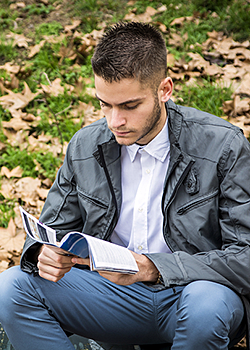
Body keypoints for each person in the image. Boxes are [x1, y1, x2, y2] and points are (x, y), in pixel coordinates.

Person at [0, 21, 250, 350]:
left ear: (164, 90)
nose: (115, 121)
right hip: (110, 297)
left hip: (193, 295)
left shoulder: (223, 146)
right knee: (11, 287)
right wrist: (43, 253)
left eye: (129, 106)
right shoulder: (85, 146)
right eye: (105, 105)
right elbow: (50, 231)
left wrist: (153, 267)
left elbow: (245, 257)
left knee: (205, 307)